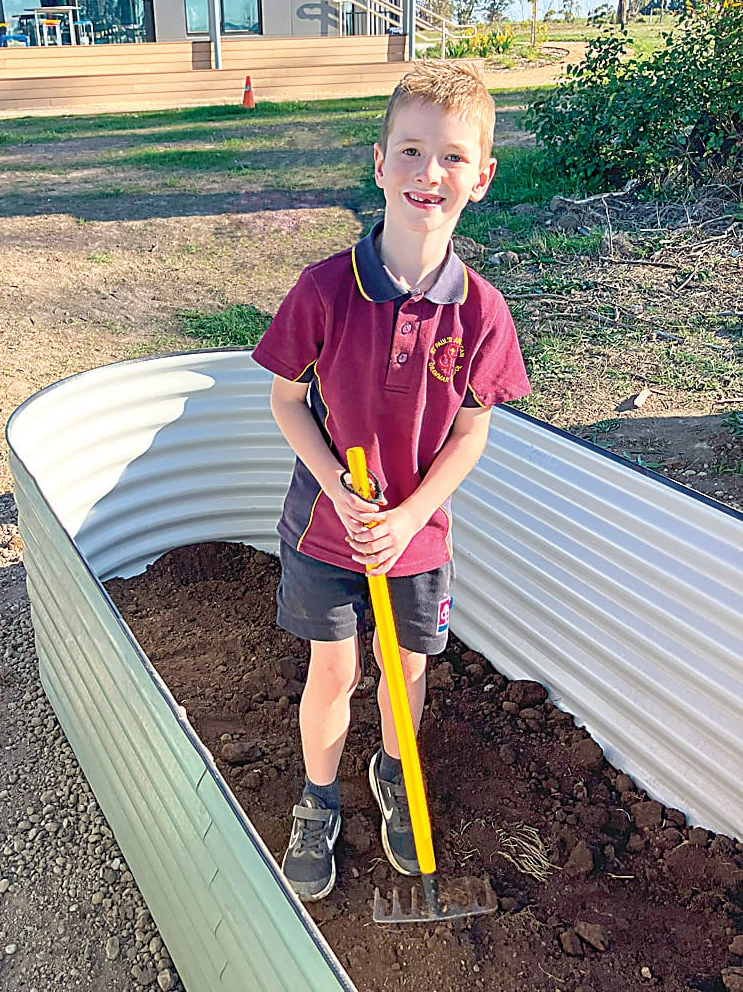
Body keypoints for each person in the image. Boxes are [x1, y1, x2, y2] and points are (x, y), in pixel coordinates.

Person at [251, 59, 531, 902]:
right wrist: (339, 488)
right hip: (327, 531)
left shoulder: (480, 313)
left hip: (416, 539)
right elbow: (285, 400)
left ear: (480, 177)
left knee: (403, 674)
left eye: (450, 157)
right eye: (409, 152)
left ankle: (393, 775)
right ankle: (317, 797)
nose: (427, 173)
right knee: (333, 671)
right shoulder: (326, 290)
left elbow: (472, 433)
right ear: (378, 164)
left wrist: (410, 517)